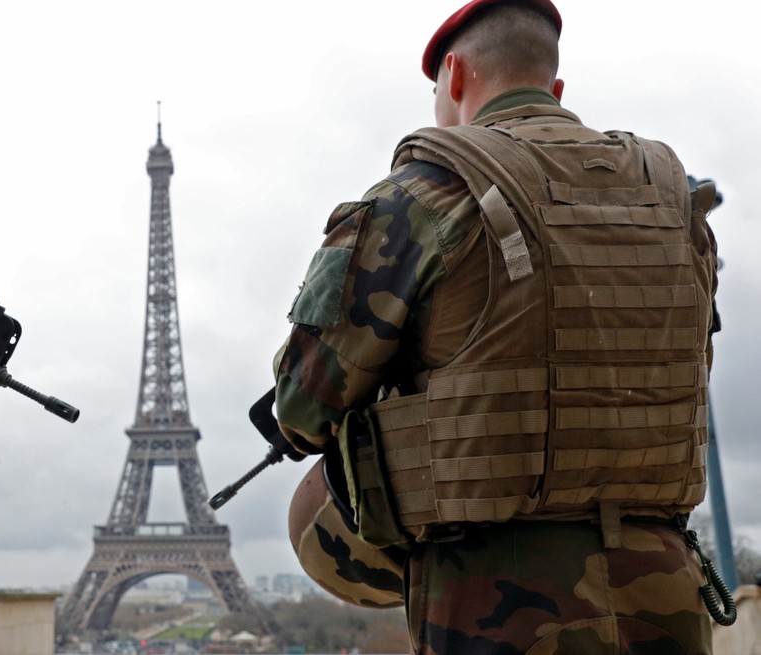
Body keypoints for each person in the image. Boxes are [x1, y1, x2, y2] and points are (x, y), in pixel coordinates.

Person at [274, 0, 721, 653]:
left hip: (497, 601)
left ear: (454, 77)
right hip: (667, 586)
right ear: (555, 88)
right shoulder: (678, 204)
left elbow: (303, 404)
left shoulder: (422, 194)